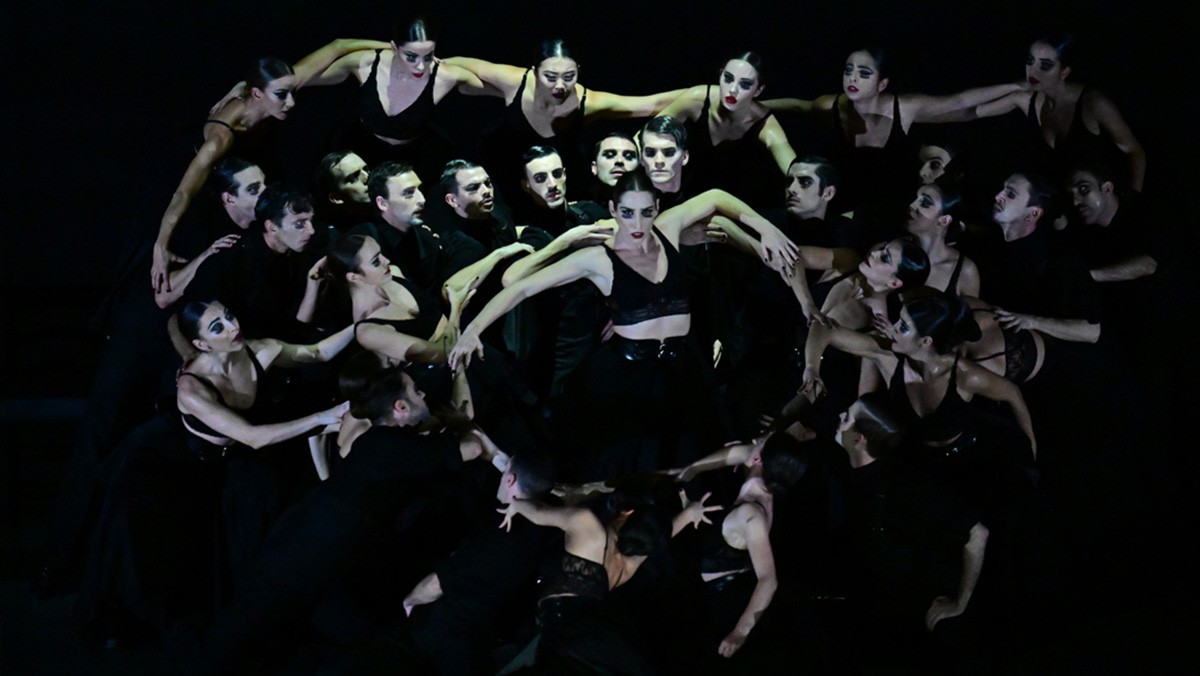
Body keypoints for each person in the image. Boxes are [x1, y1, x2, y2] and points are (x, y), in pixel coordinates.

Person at [449, 169, 799, 478]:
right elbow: (520, 287)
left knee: (693, 463)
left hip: (683, 369)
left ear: (656, 209)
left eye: (646, 212)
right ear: (614, 210)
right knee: (632, 469)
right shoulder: (598, 258)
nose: (637, 224)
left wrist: (764, 227)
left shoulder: (668, 229)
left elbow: (716, 197)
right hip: (628, 378)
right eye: (628, 213)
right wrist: (473, 329)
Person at [74, 300, 351, 643]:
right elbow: (254, 437)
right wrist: (323, 418)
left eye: (229, 316)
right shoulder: (192, 388)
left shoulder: (259, 350)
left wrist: (362, 327)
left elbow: (318, 353)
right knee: (154, 546)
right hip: (171, 462)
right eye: (218, 327)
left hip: (224, 460)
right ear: (202, 344)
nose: (233, 327)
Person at [152, 38, 390, 292]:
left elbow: (338, 46)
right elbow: (183, 193)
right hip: (214, 177)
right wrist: (160, 246)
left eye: (292, 92)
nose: (291, 102)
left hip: (257, 157)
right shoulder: (220, 138)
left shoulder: (278, 87)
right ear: (257, 94)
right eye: (281, 95)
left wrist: (393, 48)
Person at [764, 47, 1025, 226]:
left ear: (882, 84)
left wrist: (1014, 88)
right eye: (848, 70)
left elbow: (960, 102)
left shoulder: (904, 107)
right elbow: (799, 106)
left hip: (888, 210)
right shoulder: (831, 106)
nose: (853, 78)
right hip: (837, 206)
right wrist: (755, 105)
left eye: (864, 73)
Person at [447, 39, 685, 222]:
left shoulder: (588, 102)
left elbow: (651, 104)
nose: (560, 86)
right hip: (503, 180)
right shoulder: (515, 81)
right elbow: (453, 65)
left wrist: (701, 95)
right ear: (535, 72)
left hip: (555, 190)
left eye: (569, 77)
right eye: (550, 77)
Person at [496, 485, 717, 673]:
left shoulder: (588, 527)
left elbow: (538, 512)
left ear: (628, 512)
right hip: (590, 632)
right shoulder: (630, 563)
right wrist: (689, 515)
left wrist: (516, 505)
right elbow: (659, 536)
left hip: (570, 627)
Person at [815, 289, 1037, 458]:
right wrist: (811, 368)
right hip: (917, 454)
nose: (892, 328)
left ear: (925, 341)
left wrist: (1030, 447)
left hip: (964, 455)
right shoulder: (890, 358)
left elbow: (1013, 394)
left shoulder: (965, 375)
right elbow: (825, 330)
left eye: (903, 327)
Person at [669, 432, 811, 659]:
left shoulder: (751, 515)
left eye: (759, 443)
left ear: (758, 460)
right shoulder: (769, 487)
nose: (753, 442)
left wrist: (740, 632)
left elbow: (768, 580)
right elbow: (740, 455)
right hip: (706, 588)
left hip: (711, 608)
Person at [306, 16, 493, 170]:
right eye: (411, 56)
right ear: (394, 48)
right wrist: (339, 46)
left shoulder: (445, 75)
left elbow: (497, 85)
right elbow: (305, 75)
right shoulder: (366, 63)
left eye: (428, 56)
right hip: (362, 150)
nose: (420, 66)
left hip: (413, 158)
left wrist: (455, 61)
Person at [973, 33, 1146, 191]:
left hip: (1098, 201)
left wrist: (1133, 197)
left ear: (1064, 71)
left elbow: (1135, 152)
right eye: (1030, 61)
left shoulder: (1093, 103)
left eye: (1045, 65)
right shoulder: (1026, 99)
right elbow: (969, 110)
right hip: (1058, 203)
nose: (1033, 71)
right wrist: (1011, 86)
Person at [657, 52, 798, 207]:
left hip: (736, 205)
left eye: (745, 85)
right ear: (720, 76)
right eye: (728, 79)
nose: (733, 90)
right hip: (680, 195)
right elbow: (648, 135)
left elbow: (797, 169)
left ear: (758, 91)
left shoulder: (765, 125)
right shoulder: (697, 99)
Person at [903, 181, 981, 297]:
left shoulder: (965, 271)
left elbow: (970, 308)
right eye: (915, 198)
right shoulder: (888, 251)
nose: (912, 205)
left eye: (925, 202)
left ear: (944, 220)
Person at [313, 150, 374, 232]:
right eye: (353, 178)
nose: (367, 177)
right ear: (336, 197)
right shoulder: (337, 238)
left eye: (366, 169)